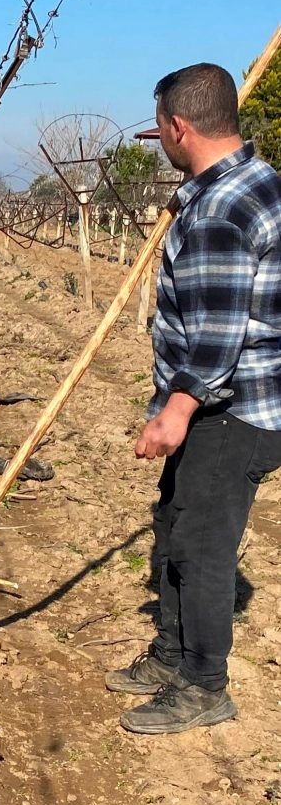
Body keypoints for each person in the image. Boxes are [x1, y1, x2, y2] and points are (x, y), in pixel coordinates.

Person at [107, 63, 281, 734]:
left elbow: (215, 336)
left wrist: (175, 411)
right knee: (176, 520)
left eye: (160, 128)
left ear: (178, 126)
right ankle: (171, 653)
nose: (159, 138)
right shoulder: (254, 183)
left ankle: (204, 684)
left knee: (202, 546)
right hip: (234, 400)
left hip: (230, 408)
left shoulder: (221, 209)